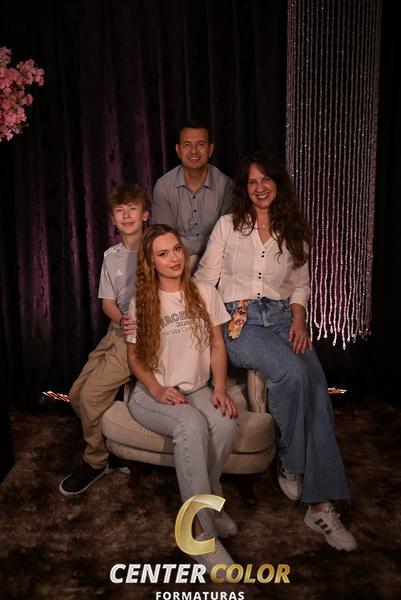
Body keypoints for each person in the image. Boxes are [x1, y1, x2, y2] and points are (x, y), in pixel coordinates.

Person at [194, 151, 357, 552]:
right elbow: (204, 280)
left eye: (266, 179)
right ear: (245, 188)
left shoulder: (293, 230)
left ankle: (319, 506)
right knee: (292, 372)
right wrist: (211, 327)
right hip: (241, 321)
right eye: (252, 181)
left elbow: (300, 285)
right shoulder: (229, 226)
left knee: (317, 388)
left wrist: (299, 321)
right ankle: (291, 460)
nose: (260, 187)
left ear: (278, 184)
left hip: (284, 319)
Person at [126, 224, 239, 573]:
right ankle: (200, 534)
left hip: (198, 388)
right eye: (163, 254)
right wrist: (157, 389)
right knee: (191, 426)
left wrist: (220, 388)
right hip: (153, 394)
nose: (174, 258)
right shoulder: (142, 301)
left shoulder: (204, 291)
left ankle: (208, 507)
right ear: (151, 262)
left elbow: (217, 344)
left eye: (176, 249)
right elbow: (134, 358)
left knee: (226, 423)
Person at [59, 184, 149, 496]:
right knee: (75, 394)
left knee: (91, 397)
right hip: (116, 331)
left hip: (139, 339)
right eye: (120, 211)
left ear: (145, 214)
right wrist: (120, 319)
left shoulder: (156, 248)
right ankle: (110, 451)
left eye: (132, 209)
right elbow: (107, 302)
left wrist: (135, 323)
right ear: (113, 218)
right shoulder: (111, 256)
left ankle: (95, 461)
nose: (126, 215)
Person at [152, 120, 233, 270]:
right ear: (178, 150)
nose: (194, 151)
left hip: (216, 265)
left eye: (200, 144)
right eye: (187, 145)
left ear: (210, 149)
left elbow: (226, 240)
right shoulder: (163, 186)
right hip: (176, 265)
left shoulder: (227, 186)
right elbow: (163, 238)